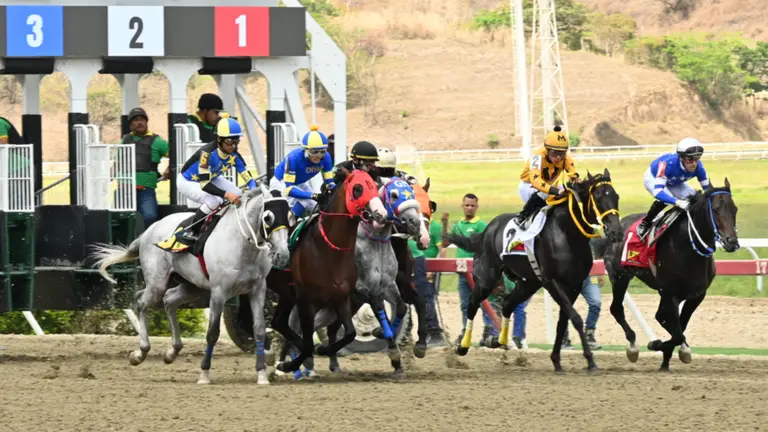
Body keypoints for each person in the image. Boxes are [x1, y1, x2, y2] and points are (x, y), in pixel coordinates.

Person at [157, 114, 256, 250]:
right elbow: (205, 185)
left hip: (212, 178)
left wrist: (253, 189)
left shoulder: (234, 155)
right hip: (188, 181)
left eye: (236, 141)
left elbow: (247, 176)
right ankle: (191, 230)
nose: (233, 146)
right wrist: (226, 194)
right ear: (219, 139)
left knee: (239, 193)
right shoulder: (206, 154)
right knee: (214, 201)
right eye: (229, 141)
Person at [441, 194, 496, 344]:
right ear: (462, 206)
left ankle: (489, 332)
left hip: (478, 272)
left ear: (477, 207)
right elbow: (445, 243)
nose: (469, 208)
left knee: (484, 302)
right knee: (465, 304)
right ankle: (466, 331)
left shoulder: (481, 225)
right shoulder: (458, 225)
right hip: (462, 272)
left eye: (472, 205)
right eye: (467, 205)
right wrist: (445, 224)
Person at [636, 137, 710, 239]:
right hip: (654, 177)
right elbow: (658, 192)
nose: (694, 163)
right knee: (666, 199)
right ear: (681, 158)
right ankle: (645, 223)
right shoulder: (666, 165)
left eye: (697, 159)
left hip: (674, 181)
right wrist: (677, 202)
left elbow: (708, 190)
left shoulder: (699, 167)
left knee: (694, 199)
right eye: (690, 159)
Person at [515, 125, 579, 228]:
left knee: (570, 190)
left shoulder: (565, 158)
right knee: (545, 193)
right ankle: (522, 216)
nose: (558, 158)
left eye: (562, 153)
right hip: (528, 187)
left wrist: (576, 179)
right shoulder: (537, 156)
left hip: (546, 187)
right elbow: (536, 182)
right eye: (554, 153)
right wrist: (557, 191)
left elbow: (573, 173)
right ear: (547, 149)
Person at [270, 125, 335, 219]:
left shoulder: (327, 157)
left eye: (322, 151)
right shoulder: (293, 158)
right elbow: (288, 189)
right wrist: (313, 195)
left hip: (299, 184)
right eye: (314, 152)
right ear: (305, 150)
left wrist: (333, 190)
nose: (318, 156)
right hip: (281, 183)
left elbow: (329, 182)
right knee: (307, 200)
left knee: (317, 206)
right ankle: (290, 221)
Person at [121, 107, 170, 228]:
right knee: (121, 219)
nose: (139, 122)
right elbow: (118, 162)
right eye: (136, 120)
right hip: (125, 188)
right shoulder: (125, 140)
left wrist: (169, 169)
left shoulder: (157, 141)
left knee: (150, 216)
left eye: (142, 119)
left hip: (146, 189)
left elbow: (175, 154)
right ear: (130, 124)